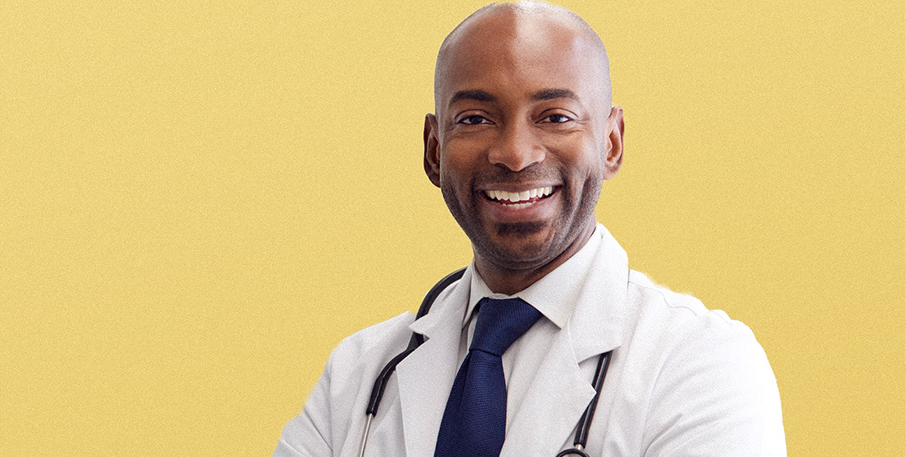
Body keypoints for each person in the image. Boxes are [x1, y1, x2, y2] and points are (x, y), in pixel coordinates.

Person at [274, 2, 786, 456]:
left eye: (556, 116)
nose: (515, 154)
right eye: (475, 119)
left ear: (611, 142)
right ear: (433, 150)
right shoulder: (358, 376)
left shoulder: (702, 366)